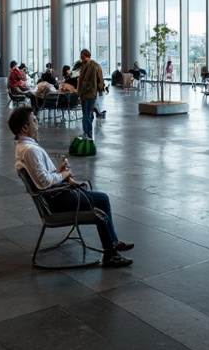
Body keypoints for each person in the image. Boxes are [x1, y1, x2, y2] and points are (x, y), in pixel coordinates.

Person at [9, 106, 132, 267]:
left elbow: (42, 178)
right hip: (57, 201)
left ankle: (113, 243)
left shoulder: (23, 148)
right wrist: (64, 175)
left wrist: (59, 175)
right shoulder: (30, 150)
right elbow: (44, 182)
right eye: (34, 121)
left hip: (54, 196)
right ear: (25, 127)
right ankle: (110, 253)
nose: (37, 124)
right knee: (101, 204)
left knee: (100, 199)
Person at [77, 49, 104, 140]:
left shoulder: (87, 66)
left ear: (85, 56)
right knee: (89, 114)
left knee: (86, 114)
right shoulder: (96, 66)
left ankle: (87, 133)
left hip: (86, 94)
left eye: (82, 56)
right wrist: (100, 90)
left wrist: (79, 93)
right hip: (91, 94)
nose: (81, 58)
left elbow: (81, 81)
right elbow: (100, 80)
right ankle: (89, 133)